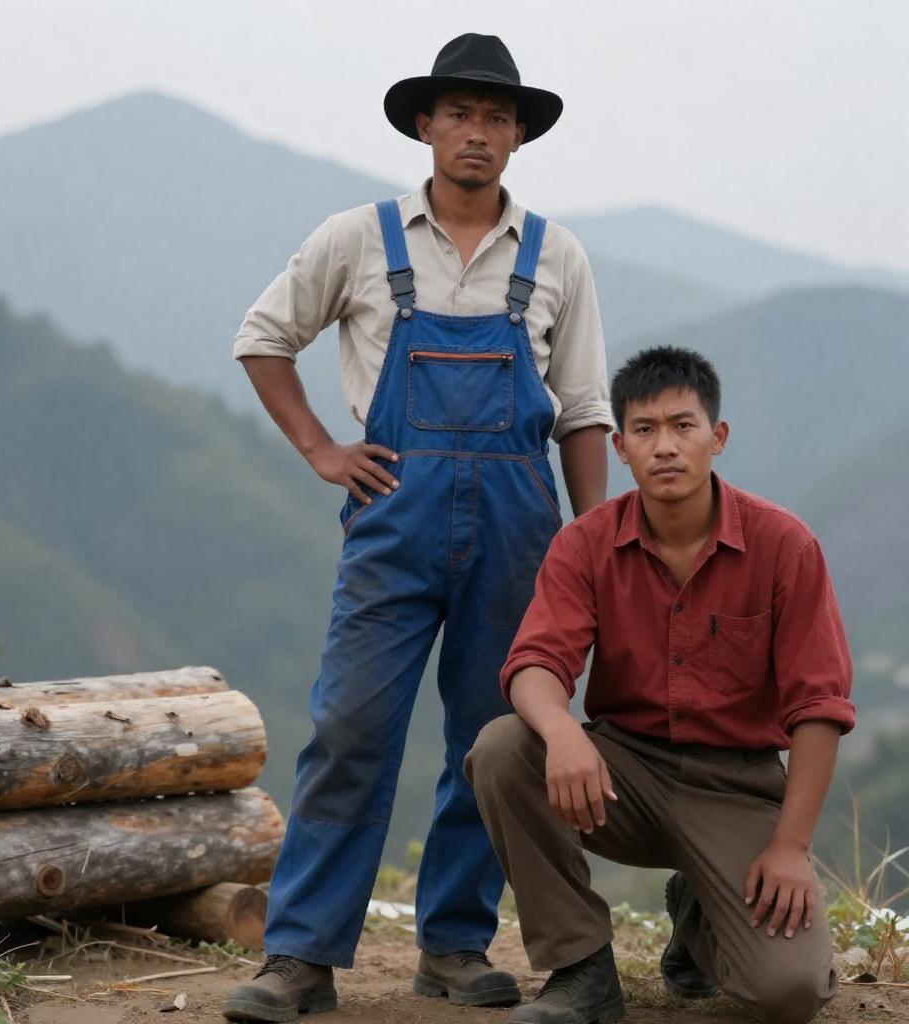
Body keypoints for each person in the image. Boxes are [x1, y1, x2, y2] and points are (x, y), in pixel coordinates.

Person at [223, 32, 614, 1023]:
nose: (476, 132)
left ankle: (453, 943)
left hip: (520, 529)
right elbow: (263, 339)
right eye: (459, 114)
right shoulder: (358, 240)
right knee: (350, 728)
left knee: (490, 739)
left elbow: (581, 411)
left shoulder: (556, 255)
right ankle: (300, 956)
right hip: (392, 518)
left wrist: (595, 546)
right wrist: (321, 449)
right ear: (424, 125)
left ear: (518, 136)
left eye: (496, 117)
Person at [465, 345, 855, 1024]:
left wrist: (790, 847)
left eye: (683, 426)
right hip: (623, 776)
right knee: (504, 748)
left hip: (736, 787)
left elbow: (819, 707)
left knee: (787, 994)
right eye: (644, 430)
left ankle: (697, 916)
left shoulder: (783, 546)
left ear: (717, 437)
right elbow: (535, 663)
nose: (665, 446)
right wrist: (562, 733)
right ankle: (581, 969)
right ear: (621, 448)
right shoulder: (586, 543)